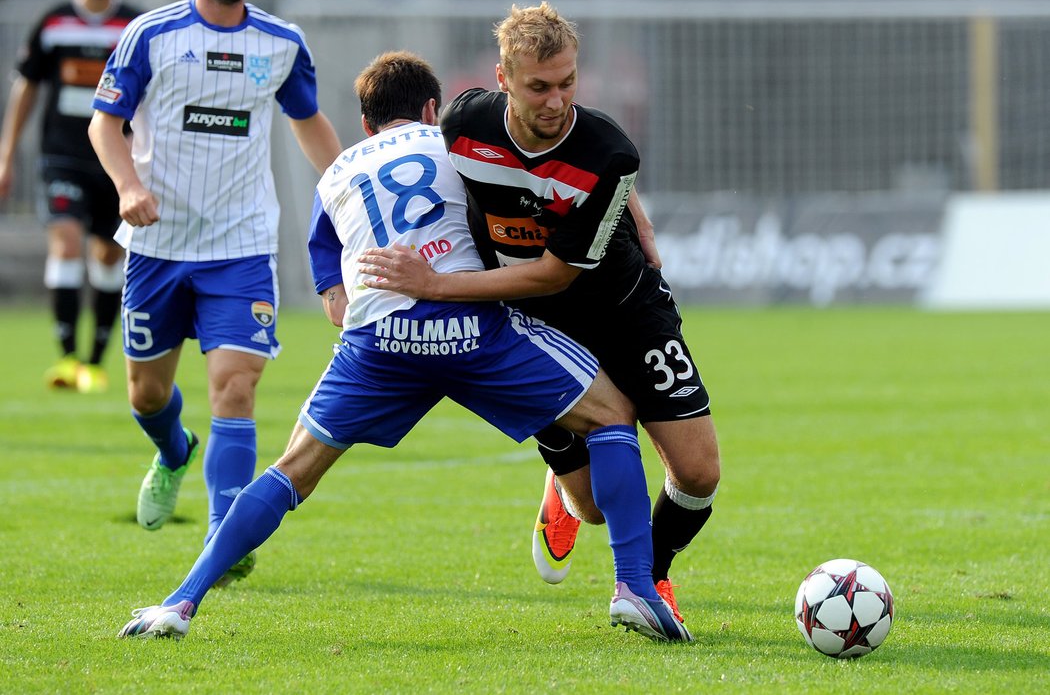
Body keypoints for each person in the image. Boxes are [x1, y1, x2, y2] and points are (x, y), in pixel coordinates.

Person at [116, 50, 691, 643]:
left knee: (293, 471)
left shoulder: (337, 171)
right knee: (612, 414)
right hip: (470, 325)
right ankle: (634, 590)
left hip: (378, 343)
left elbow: (324, 251)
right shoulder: (457, 143)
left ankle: (179, 604)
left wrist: (338, 299)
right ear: (432, 109)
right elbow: (551, 178)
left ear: (366, 124)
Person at [357, 2, 721, 624]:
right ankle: (566, 490)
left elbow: (556, 269)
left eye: (568, 82)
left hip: (623, 306)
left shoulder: (609, 152)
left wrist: (437, 287)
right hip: (537, 321)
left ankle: (650, 578)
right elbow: (384, 171)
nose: (556, 101)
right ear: (503, 79)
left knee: (697, 473)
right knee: (595, 507)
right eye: (539, 86)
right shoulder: (463, 125)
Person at [87, 0, 343, 582]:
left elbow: (309, 121)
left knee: (236, 384)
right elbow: (104, 124)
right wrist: (128, 188)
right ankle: (173, 451)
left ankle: (222, 536)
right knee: (146, 394)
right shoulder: (151, 35)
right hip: (157, 246)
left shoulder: (281, 44)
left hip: (241, 248)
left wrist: (355, 192)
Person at [0, 0, 140, 394]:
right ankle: (64, 358)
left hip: (116, 159)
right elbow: (27, 87)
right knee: (64, 241)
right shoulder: (54, 22)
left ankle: (94, 362)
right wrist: (6, 154)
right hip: (61, 156)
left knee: (106, 253)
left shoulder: (136, 27)